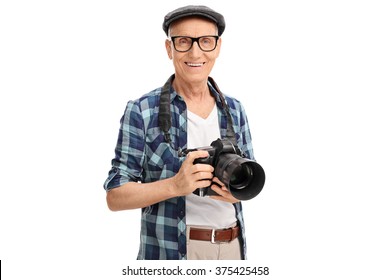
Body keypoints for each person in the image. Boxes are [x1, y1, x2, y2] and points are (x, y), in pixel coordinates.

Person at [104, 5, 260, 260]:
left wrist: (235, 191)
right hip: (172, 251)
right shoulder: (142, 110)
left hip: (233, 246)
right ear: (169, 48)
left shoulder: (234, 109)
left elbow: (248, 179)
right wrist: (175, 185)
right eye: (184, 41)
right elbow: (115, 196)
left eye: (206, 41)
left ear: (218, 47)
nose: (195, 52)